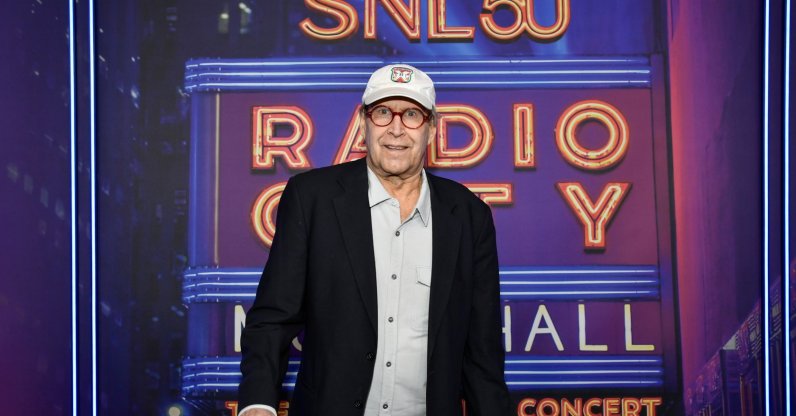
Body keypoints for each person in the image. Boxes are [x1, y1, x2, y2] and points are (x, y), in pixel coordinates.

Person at [237, 64, 511, 416]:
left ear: (432, 128)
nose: (396, 129)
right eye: (383, 112)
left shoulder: (470, 216)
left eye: (412, 114)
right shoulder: (312, 198)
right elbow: (272, 318)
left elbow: (482, 353)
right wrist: (258, 402)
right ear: (363, 122)